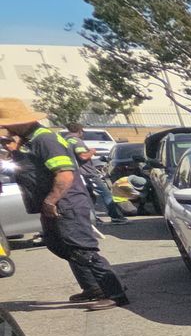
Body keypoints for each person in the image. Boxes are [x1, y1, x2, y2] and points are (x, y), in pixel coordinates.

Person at [0, 97, 129, 308]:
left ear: (19, 122)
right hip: (52, 204)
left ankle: (114, 293)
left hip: (66, 203)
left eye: (6, 124)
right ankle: (92, 287)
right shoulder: (30, 141)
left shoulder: (45, 140)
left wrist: (51, 201)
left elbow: (65, 174)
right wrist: (14, 150)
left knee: (82, 249)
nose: (5, 128)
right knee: (58, 245)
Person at [69, 133, 127, 224]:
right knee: (106, 193)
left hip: (79, 174)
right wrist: (92, 151)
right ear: (80, 131)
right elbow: (83, 156)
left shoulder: (66, 141)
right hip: (88, 174)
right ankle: (116, 217)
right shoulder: (76, 141)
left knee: (89, 197)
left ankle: (92, 219)